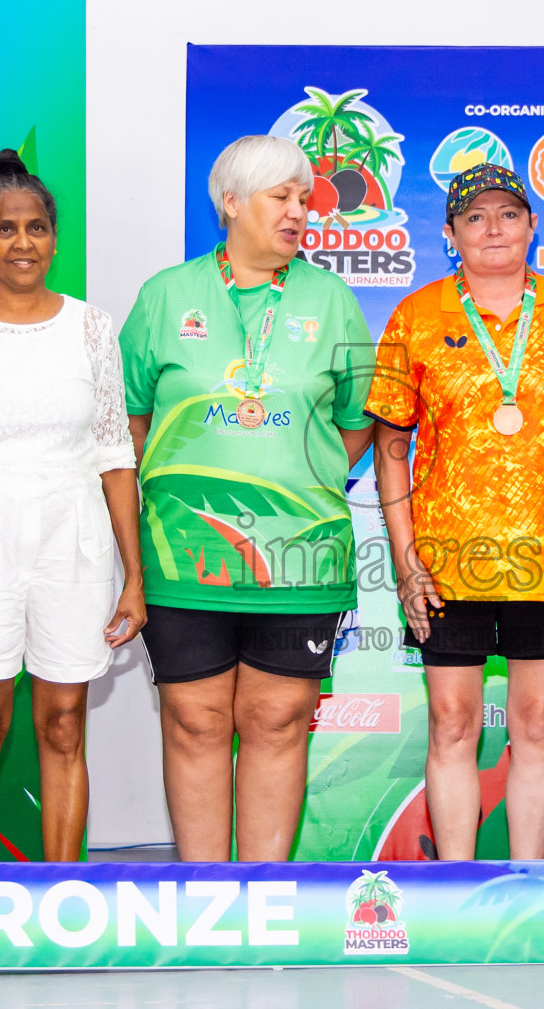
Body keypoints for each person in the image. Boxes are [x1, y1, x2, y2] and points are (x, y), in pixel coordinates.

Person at [120, 135, 373, 862]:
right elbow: (130, 419)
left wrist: (294, 478)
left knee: (279, 719)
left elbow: (358, 420)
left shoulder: (331, 300)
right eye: (281, 197)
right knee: (194, 720)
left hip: (300, 555)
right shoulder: (166, 296)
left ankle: (264, 897)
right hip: (184, 553)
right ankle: (205, 897)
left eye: (304, 199)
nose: (299, 212)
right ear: (230, 203)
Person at [367, 163, 544, 860]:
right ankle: (456, 887)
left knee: (537, 725)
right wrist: (405, 557)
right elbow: (390, 447)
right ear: (450, 233)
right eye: (475, 217)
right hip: (446, 563)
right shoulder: (416, 316)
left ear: (533, 226)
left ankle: (527, 890)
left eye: (508, 215)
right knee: (453, 724)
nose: (493, 229)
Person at [0, 150, 144, 863]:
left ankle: (62, 891)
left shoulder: (92, 328)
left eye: (36, 228)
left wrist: (134, 577)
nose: (22, 243)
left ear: (55, 239)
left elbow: (116, 457)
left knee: (65, 724)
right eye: (5, 229)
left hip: (74, 545)